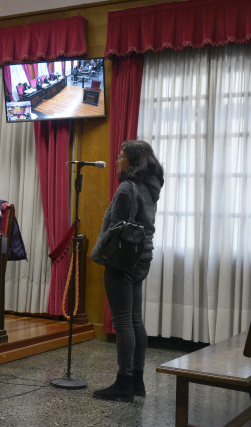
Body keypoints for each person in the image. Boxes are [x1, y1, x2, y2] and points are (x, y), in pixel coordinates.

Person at [90, 140, 164, 402]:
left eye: (121, 155)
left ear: (132, 159)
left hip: (122, 260)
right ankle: (137, 381)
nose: (117, 158)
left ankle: (124, 382)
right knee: (135, 319)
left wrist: (101, 251)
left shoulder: (126, 188)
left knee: (123, 322)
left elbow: (116, 229)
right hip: (143, 257)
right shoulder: (150, 187)